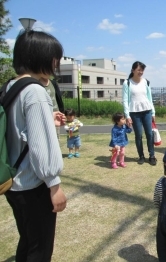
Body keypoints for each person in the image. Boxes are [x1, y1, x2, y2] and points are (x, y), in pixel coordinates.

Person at [4, 30, 67, 261]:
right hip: (33, 185)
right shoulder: (36, 92)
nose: (56, 63)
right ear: (39, 57)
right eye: (54, 58)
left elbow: (19, 130)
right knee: (40, 249)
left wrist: (47, 119)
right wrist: (54, 185)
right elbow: (41, 147)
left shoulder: (11, 86)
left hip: (13, 183)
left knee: (28, 242)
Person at [122, 61, 157, 165]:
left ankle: (152, 156)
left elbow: (150, 98)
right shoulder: (127, 83)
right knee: (138, 135)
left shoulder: (146, 81)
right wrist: (127, 116)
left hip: (147, 111)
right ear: (133, 70)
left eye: (142, 70)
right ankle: (141, 156)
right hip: (134, 112)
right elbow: (125, 100)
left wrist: (153, 112)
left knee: (149, 134)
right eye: (139, 70)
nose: (141, 72)